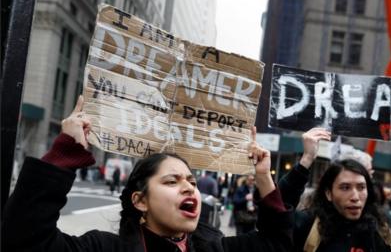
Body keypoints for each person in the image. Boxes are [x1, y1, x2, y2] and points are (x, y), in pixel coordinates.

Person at [3, 96, 293, 252]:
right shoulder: (106, 248)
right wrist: (63, 154)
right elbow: (25, 240)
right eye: (172, 181)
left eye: (191, 182)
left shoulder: (217, 248)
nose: (189, 188)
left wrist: (264, 177)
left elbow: (278, 243)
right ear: (140, 200)